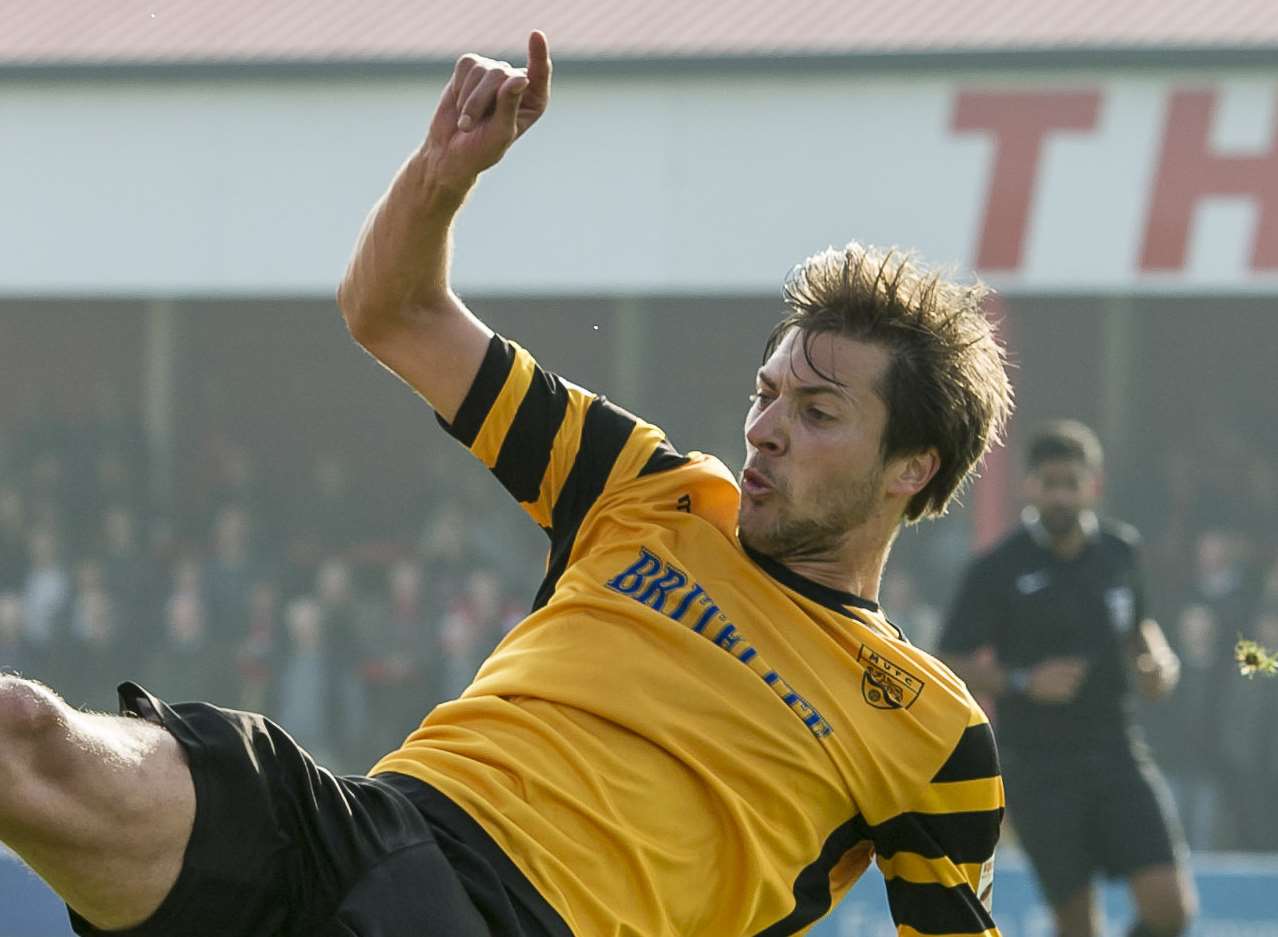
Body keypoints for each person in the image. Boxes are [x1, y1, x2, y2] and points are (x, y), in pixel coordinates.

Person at [0, 32, 1014, 937]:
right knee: (25, 737)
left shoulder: (931, 727)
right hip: (363, 832)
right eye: (766, 391)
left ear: (912, 468)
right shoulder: (648, 486)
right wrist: (442, 178)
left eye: (818, 411)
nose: (765, 428)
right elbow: (393, 314)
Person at [937, 420, 1196, 937]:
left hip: (1118, 752)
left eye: (1071, 484)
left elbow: (1140, 627)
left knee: (1171, 911)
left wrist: (1160, 663)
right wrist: (1022, 681)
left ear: (1093, 486)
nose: (1059, 496)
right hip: (1039, 769)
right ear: (1028, 486)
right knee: (1078, 927)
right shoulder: (998, 568)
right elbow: (949, 659)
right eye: (1048, 483)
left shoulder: (1120, 552)